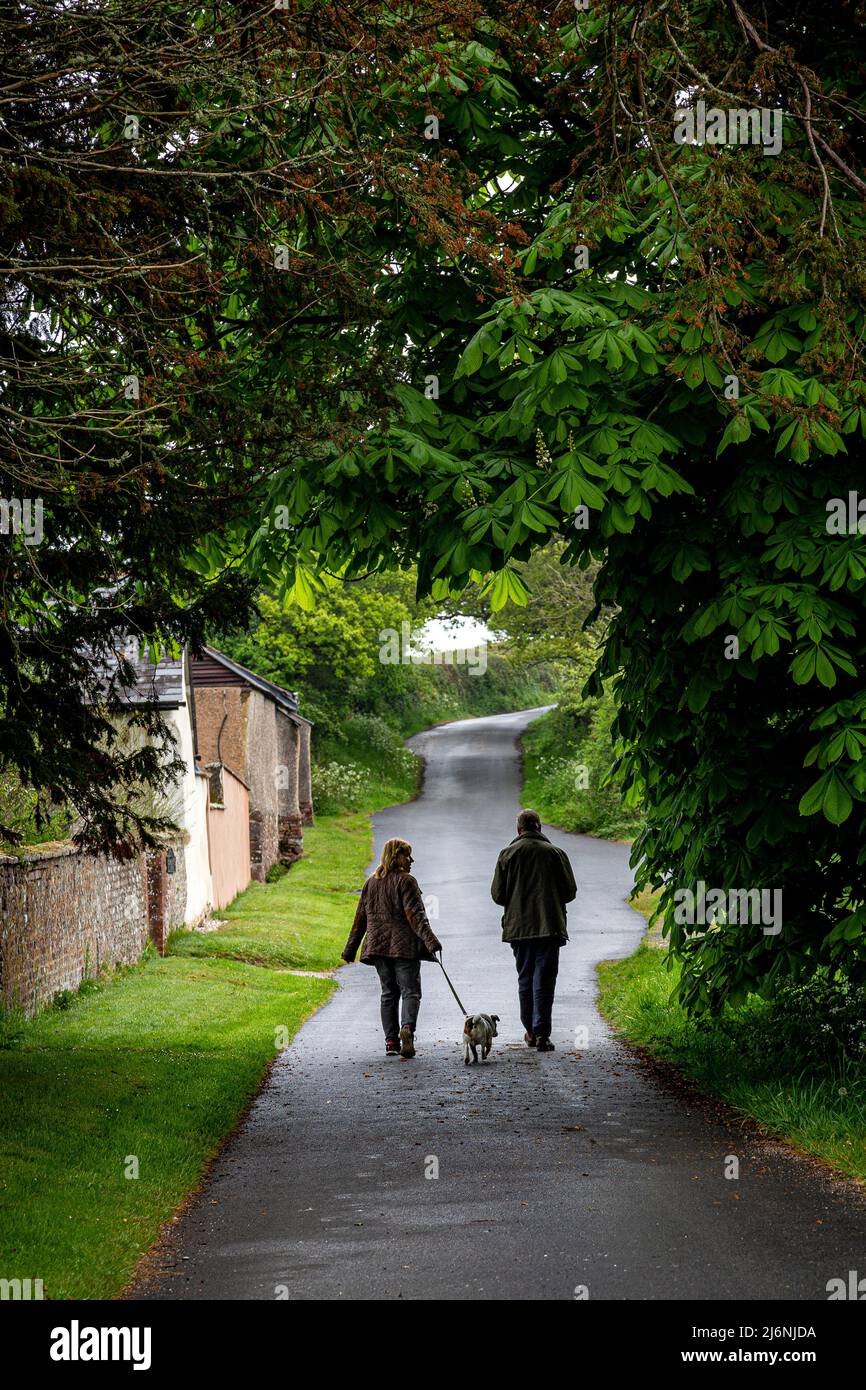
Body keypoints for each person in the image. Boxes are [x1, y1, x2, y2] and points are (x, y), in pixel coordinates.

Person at [342, 837, 442, 1058]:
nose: (411, 860)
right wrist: (431, 941)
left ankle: (390, 1042)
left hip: (378, 947)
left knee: (388, 993)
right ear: (396, 857)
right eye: (407, 855)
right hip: (403, 948)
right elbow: (416, 917)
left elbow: (360, 919)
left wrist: (351, 949)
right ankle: (407, 1030)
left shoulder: (371, 883)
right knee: (411, 991)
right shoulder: (406, 881)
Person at [491, 809, 577, 1052]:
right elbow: (570, 892)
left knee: (525, 979)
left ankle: (529, 1030)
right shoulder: (556, 854)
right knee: (545, 981)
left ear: (518, 830)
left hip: (519, 929)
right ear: (539, 827)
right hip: (549, 928)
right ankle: (542, 1034)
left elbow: (498, 895)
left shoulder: (507, 855)